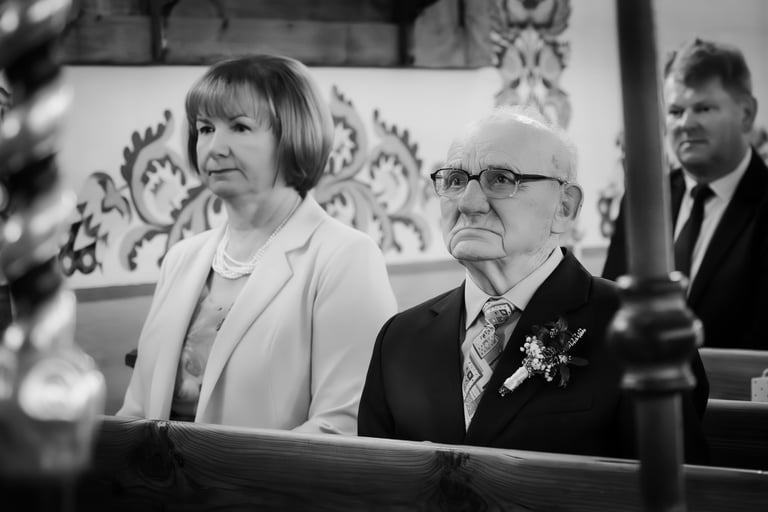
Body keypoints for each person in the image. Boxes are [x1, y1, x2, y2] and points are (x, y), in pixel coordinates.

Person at [358, 106, 708, 462]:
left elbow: (679, 482)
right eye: (455, 180)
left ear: (564, 207)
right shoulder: (399, 340)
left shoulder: (639, 327)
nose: (468, 202)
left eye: (500, 179)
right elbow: (370, 482)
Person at [117, 55, 398, 434]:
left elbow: (342, 424)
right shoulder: (181, 258)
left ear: (294, 135)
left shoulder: (346, 257)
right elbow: (135, 410)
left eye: (239, 127)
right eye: (205, 128)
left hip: (270, 475)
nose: (214, 147)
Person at [603, 38, 768, 350]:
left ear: (746, 113)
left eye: (703, 108)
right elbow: (612, 303)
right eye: (675, 111)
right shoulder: (642, 200)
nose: (686, 124)